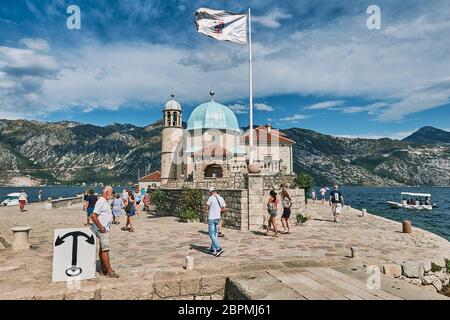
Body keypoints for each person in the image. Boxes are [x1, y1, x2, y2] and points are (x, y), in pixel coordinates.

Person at [90, 186, 118, 278]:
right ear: (106, 192)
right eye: (111, 193)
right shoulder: (101, 201)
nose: (112, 195)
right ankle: (109, 271)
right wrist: (101, 227)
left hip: (104, 229)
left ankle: (103, 269)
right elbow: (93, 216)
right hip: (102, 230)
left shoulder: (104, 201)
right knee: (105, 250)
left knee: (103, 249)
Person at [205, 187, 225, 257]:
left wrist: (207, 209)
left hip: (212, 218)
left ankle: (218, 248)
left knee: (211, 234)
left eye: (210, 192)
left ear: (211, 192)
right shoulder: (221, 198)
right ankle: (212, 248)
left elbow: (206, 207)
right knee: (215, 233)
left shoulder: (211, 198)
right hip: (218, 218)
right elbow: (223, 208)